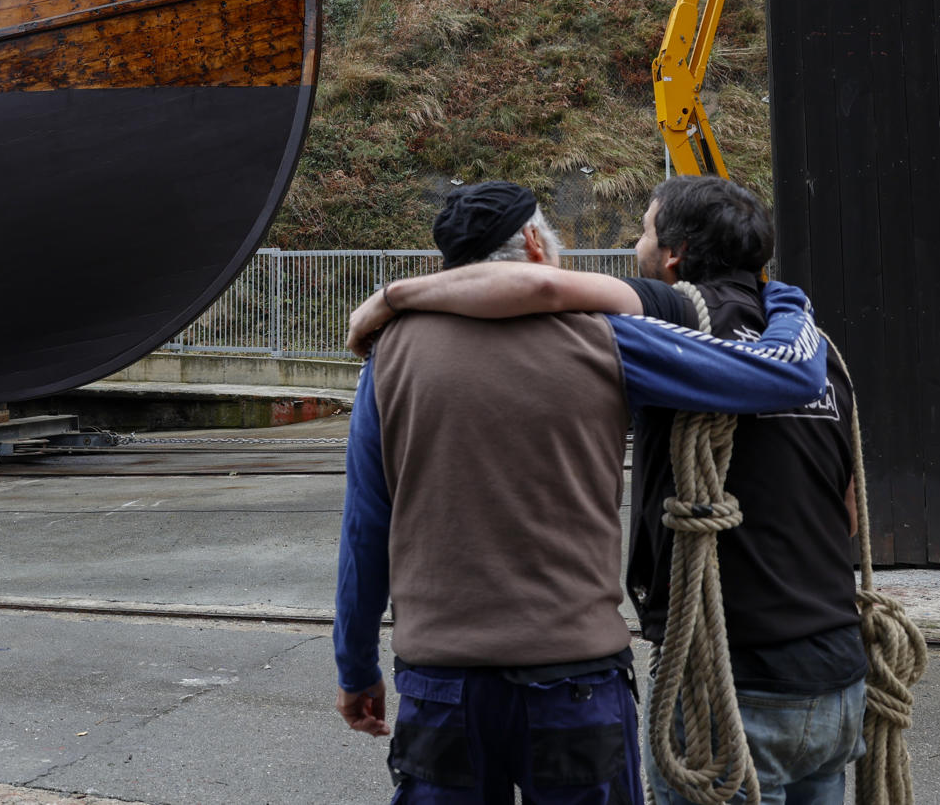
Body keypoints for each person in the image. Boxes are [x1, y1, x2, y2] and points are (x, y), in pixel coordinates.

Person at [349, 177, 866, 804]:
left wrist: (356, 666)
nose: (635, 244)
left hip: (440, 681)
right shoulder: (611, 340)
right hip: (583, 678)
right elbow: (780, 400)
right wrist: (785, 304)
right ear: (537, 242)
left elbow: (365, 529)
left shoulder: (389, 356)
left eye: (644, 231)